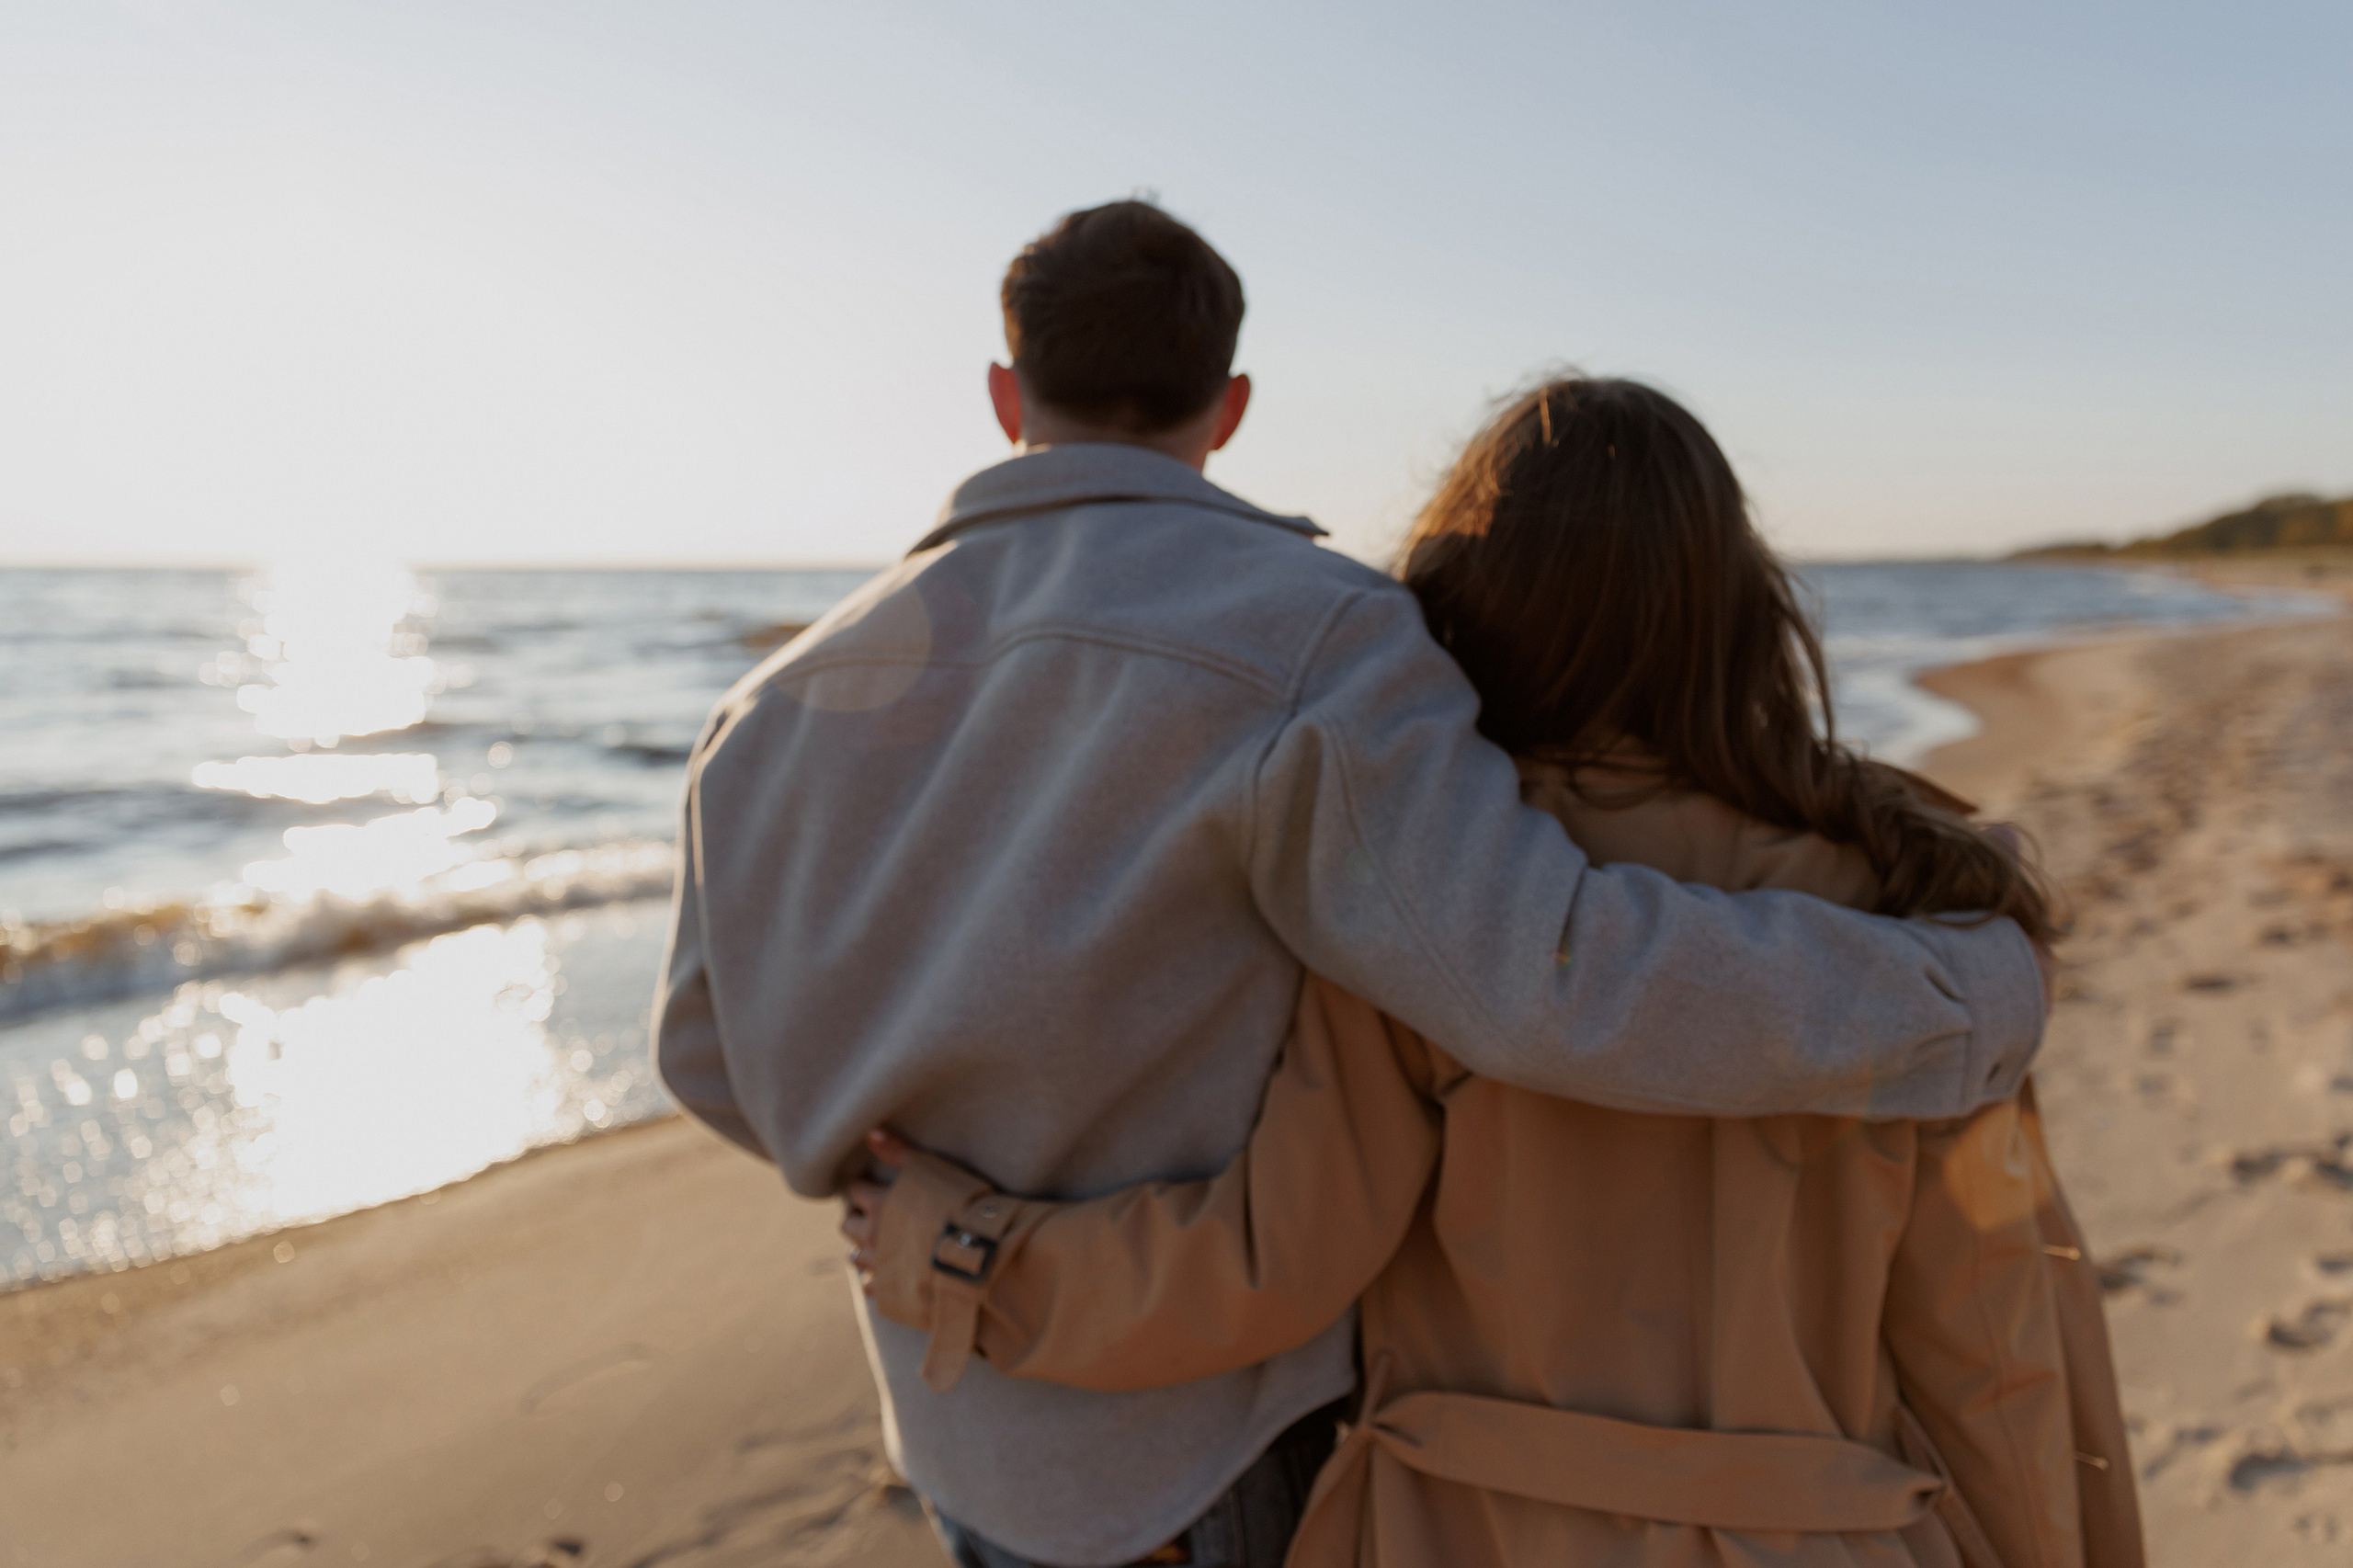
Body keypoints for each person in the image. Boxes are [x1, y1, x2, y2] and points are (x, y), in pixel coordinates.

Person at [653, 203, 2052, 1568]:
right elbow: (1540, 976)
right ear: (1232, 401)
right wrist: (1962, 993)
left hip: (958, 1415)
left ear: (1007, 391)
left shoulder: (768, 706)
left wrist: (910, 1174)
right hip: (1203, 1448)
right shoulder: (1319, 632)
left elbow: (710, 1060)